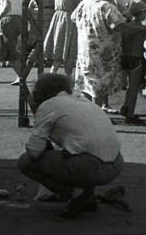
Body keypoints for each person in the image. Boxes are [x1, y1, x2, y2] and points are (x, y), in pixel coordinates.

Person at [17, 73, 124, 219]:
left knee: (25, 162)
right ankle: (87, 194)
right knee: (75, 152)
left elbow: (34, 153)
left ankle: (76, 194)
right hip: (116, 163)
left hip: (90, 166)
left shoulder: (48, 105)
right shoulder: (85, 101)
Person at [71, 0, 128, 112]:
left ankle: (87, 112)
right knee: (99, 84)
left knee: (87, 84)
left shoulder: (84, 4)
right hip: (103, 54)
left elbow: (73, 17)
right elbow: (119, 26)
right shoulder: (107, 7)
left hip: (85, 51)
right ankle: (96, 116)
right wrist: (143, 29)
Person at [119, 0, 146, 125]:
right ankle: (130, 115)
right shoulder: (142, 28)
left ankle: (125, 107)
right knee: (133, 88)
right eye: (145, 11)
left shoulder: (126, 26)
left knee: (127, 87)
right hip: (135, 59)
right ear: (141, 14)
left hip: (124, 57)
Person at [45, 0, 82, 76]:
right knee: (69, 49)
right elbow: (79, 5)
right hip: (69, 19)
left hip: (58, 17)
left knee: (59, 47)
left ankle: (52, 72)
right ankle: (68, 76)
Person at [30, 0, 57, 64]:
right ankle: (45, 57)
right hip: (48, 14)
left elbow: (30, 5)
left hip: (36, 14)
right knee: (47, 36)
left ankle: (35, 58)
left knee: (37, 36)